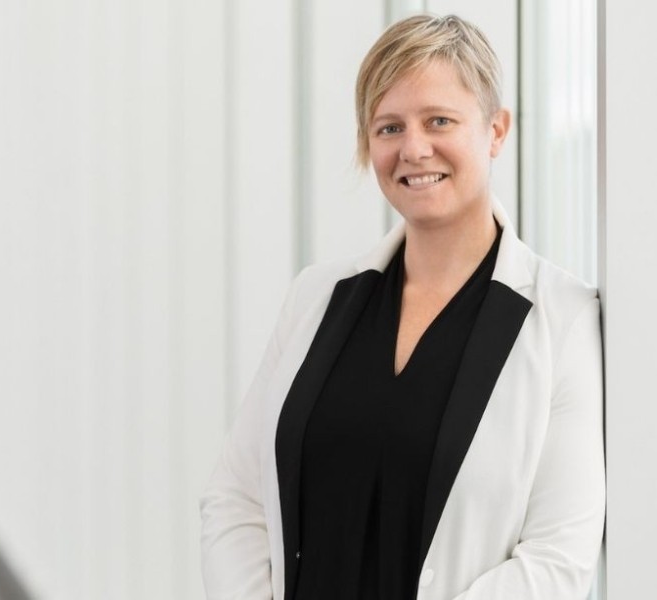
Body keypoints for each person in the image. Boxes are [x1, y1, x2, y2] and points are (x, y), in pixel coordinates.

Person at [200, 13, 605, 600]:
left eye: (438, 120)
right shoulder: (317, 298)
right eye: (388, 128)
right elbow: (235, 498)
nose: (413, 149)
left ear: (496, 130)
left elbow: (558, 557)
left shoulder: (563, 319)